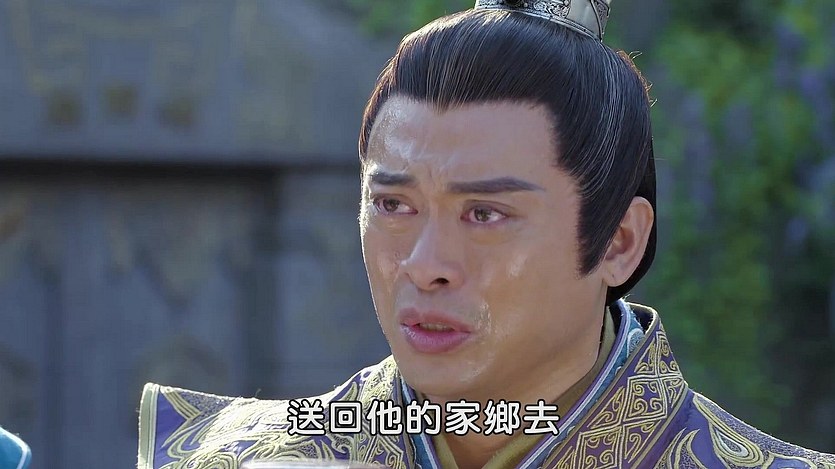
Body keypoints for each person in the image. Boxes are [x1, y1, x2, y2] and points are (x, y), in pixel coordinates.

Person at [137, 1, 835, 468]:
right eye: (393, 204)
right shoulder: (236, 458)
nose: (425, 265)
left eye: (484, 214)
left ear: (618, 242)